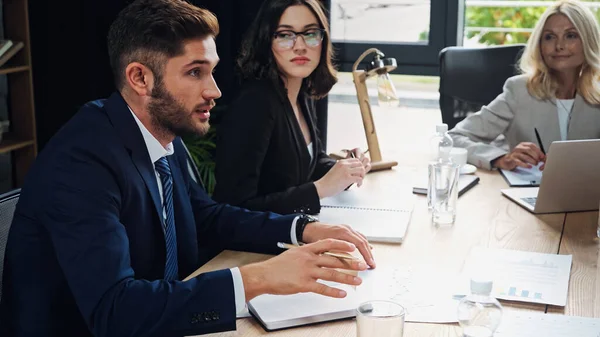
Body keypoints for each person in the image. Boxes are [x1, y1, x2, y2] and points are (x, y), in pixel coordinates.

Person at [0, 1, 377, 336]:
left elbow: (205, 217)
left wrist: (303, 229)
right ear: (140, 78)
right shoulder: (82, 161)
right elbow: (114, 310)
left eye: (211, 71)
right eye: (195, 73)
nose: (215, 90)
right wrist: (258, 278)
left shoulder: (161, 131)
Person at [213, 0, 371, 215]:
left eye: (310, 33)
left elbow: (307, 164)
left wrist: (345, 169)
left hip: (291, 238)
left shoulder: (301, 92)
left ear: (322, 41)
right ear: (266, 41)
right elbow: (234, 207)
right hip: (253, 247)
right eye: (285, 35)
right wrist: (321, 189)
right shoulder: (255, 103)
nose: (300, 45)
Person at [449, 0, 600, 171]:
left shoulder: (597, 96)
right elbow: (454, 138)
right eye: (549, 37)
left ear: (589, 40)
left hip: (589, 193)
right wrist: (499, 158)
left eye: (571, 35)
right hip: (526, 191)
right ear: (540, 45)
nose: (559, 46)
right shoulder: (519, 90)